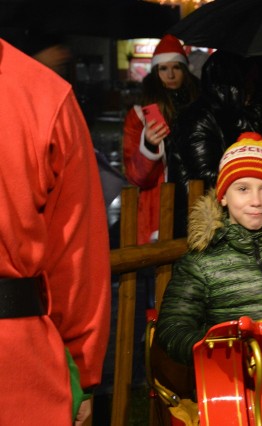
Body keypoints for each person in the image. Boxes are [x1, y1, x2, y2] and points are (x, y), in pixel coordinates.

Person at [0, 38, 111, 424]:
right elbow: (76, 252)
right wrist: (83, 367)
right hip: (17, 366)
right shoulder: (43, 95)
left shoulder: (47, 95)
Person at [156, 132, 262, 365]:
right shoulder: (200, 262)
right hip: (227, 380)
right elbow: (173, 328)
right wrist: (220, 351)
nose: (256, 201)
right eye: (243, 189)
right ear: (224, 197)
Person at [169, 50, 262, 238]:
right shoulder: (197, 118)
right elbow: (206, 174)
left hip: (232, 218)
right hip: (202, 221)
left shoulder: (238, 116)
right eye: (247, 81)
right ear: (232, 84)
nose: (252, 87)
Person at [122, 34, 200, 245]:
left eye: (176, 67)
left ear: (185, 70)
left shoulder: (200, 109)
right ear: (155, 73)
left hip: (197, 205)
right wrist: (148, 145)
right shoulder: (140, 115)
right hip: (160, 212)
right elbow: (135, 176)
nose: (171, 74)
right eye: (163, 69)